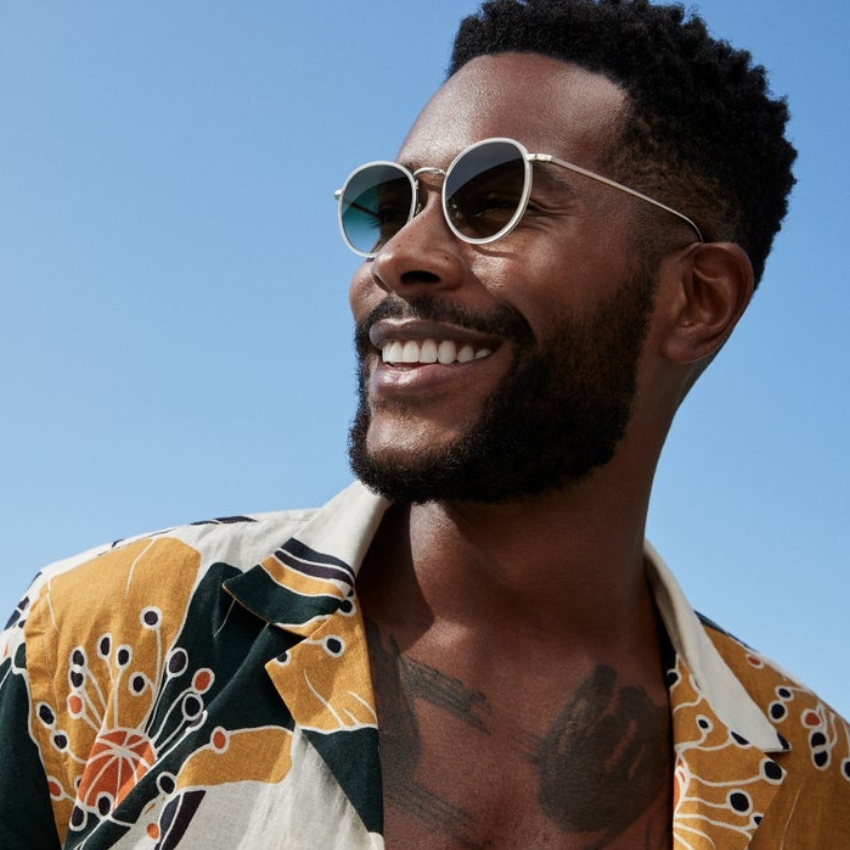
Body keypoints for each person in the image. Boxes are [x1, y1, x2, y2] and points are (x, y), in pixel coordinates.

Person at [1, 0, 848, 847]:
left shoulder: (815, 780)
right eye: (389, 203)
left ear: (696, 300)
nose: (398, 256)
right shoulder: (94, 640)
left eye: (496, 201)